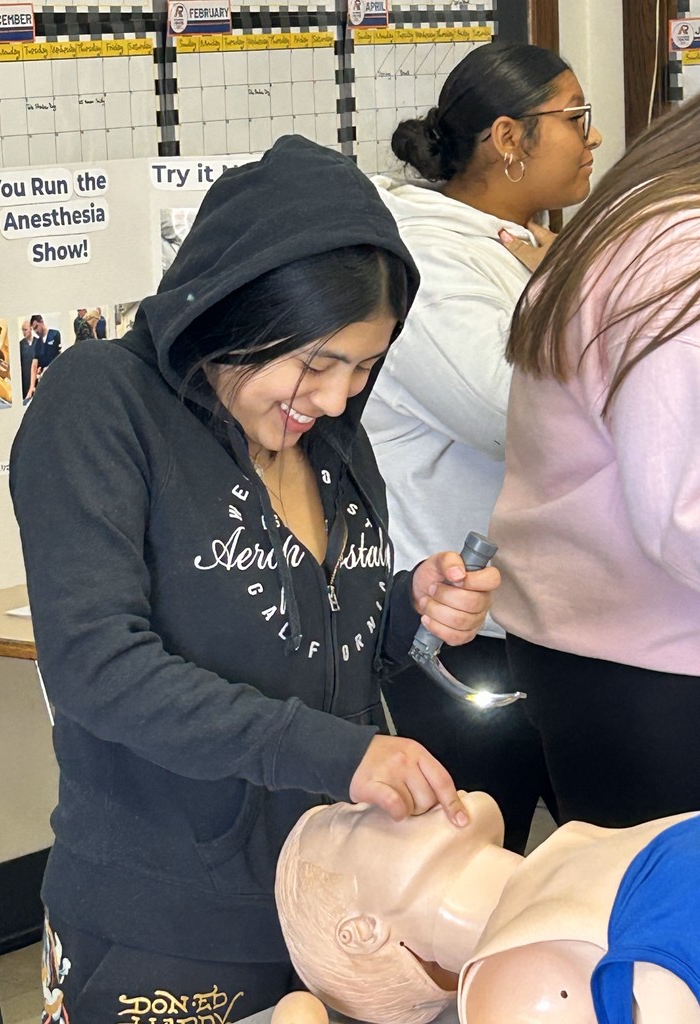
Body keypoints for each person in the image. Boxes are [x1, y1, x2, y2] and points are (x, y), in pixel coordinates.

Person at [9, 135, 499, 1024]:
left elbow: (308, 633)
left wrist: (405, 608)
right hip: (169, 916)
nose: (340, 397)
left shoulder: (325, 436)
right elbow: (96, 667)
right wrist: (341, 756)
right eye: (316, 363)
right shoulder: (102, 405)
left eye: (364, 366)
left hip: (333, 896)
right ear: (235, 310)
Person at [361, 42, 602, 853]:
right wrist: (564, 287)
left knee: (586, 862)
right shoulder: (430, 256)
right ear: (509, 136)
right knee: (471, 876)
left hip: (541, 616)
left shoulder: (519, 243)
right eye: (575, 119)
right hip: (460, 629)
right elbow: (523, 419)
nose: (591, 139)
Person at [489, 90, 700, 830]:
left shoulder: (632, 225)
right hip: (653, 669)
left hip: (604, 656)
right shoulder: (680, 253)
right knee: (661, 930)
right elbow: (684, 518)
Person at [275, 794, 700, 1024]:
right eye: (356, 817)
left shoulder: (569, 858)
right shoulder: (522, 995)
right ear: (362, 931)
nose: (388, 794)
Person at [27, 313, 61, 398]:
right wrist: (31, 387)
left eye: (36, 327)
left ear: (41, 322)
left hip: (57, 375)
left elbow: (61, 355)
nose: (36, 331)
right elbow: (34, 365)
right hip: (45, 379)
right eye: (34, 330)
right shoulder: (37, 344)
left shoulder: (55, 334)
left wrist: (49, 368)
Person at [19, 320, 37, 401]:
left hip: (36, 378)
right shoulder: (21, 345)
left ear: (31, 328)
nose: (24, 332)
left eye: (25, 330)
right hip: (25, 378)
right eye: (22, 330)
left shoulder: (38, 343)